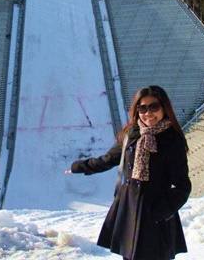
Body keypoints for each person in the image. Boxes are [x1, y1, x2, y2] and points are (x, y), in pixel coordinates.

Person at [66, 85, 191, 260]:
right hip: (130, 210)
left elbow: (182, 186)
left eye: (154, 107)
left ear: (164, 107)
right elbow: (108, 159)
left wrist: (159, 212)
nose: (148, 113)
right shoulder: (131, 134)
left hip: (156, 213)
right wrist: (79, 166)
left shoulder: (172, 139)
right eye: (143, 108)